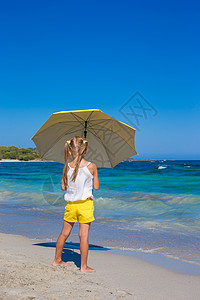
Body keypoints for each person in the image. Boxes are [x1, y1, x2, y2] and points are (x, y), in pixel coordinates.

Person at [52, 136, 100, 272]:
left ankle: (57, 260)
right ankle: (83, 267)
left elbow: (63, 187)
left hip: (71, 205)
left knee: (64, 234)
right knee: (83, 235)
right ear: (85, 151)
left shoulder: (66, 167)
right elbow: (96, 187)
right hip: (85, 205)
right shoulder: (91, 166)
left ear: (70, 151)